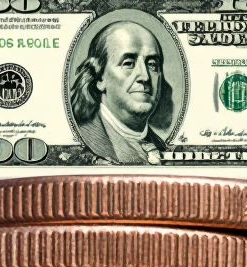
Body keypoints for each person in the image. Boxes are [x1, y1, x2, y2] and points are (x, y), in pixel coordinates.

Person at [69, 20, 176, 164]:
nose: (144, 76)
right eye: (128, 64)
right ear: (100, 77)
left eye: (152, 65)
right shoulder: (85, 142)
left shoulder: (163, 149)